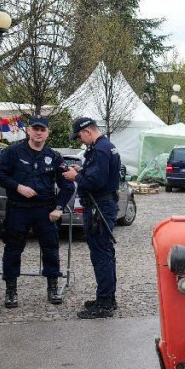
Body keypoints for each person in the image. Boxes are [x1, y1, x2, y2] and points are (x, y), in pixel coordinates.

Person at [0, 117, 74, 308]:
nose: (39, 133)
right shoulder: (12, 152)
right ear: (28, 131)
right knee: (13, 249)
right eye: (35, 129)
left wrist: (59, 208)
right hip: (18, 208)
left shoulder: (54, 156)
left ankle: (52, 287)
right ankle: (11, 290)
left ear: (47, 133)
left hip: (45, 210)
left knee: (51, 249)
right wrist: (18, 187)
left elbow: (67, 186)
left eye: (42, 130)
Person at [62, 118, 121, 319]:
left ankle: (104, 302)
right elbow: (99, 174)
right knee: (105, 253)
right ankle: (107, 298)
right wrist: (83, 170)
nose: (80, 140)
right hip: (104, 204)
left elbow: (95, 182)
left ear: (87, 132)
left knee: (101, 254)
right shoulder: (105, 147)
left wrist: (75, 177)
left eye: (79, 136)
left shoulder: (100, 150)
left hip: (99, 207)